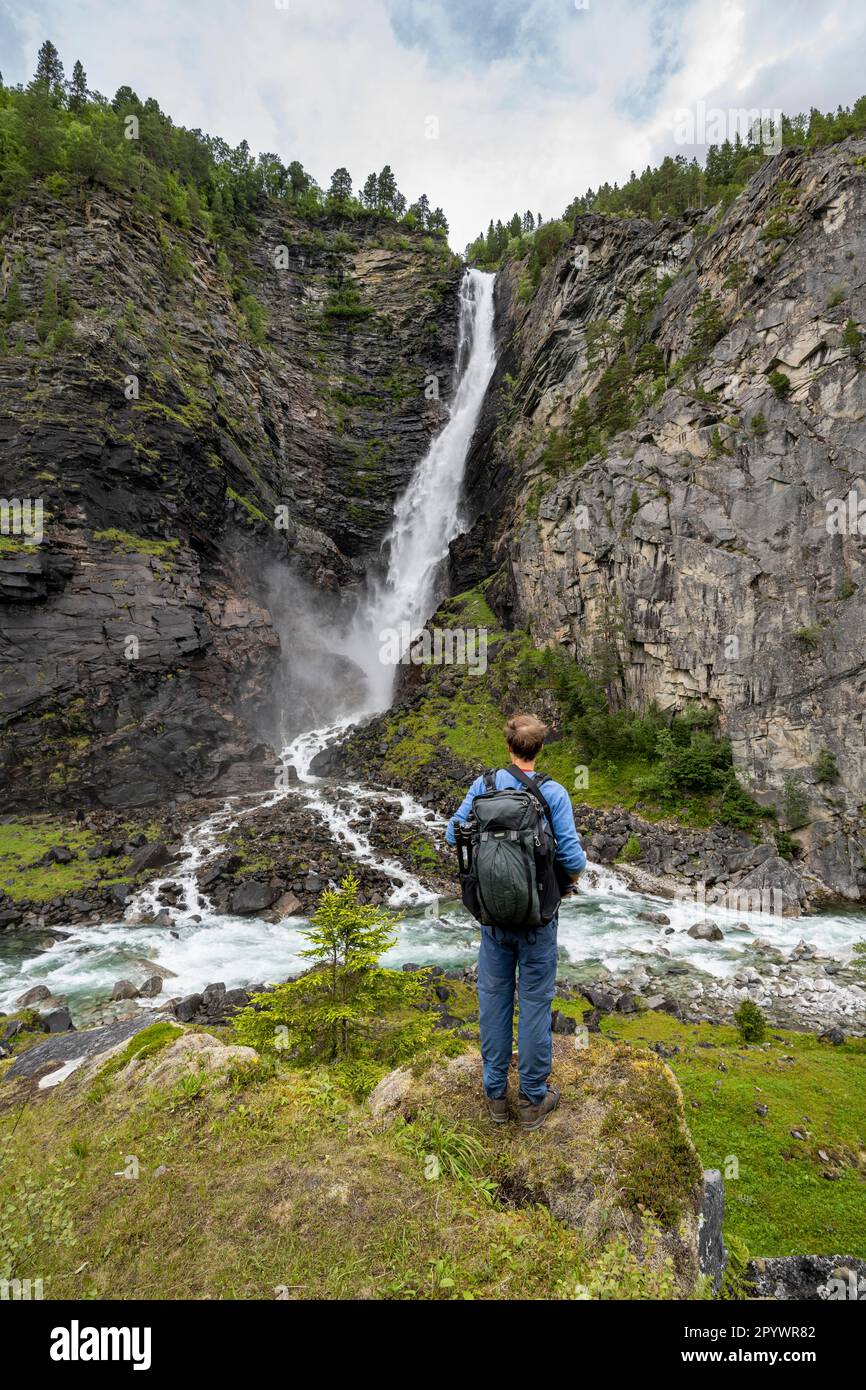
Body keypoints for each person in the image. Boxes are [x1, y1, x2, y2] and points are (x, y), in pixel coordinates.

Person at [446, 713, 586, 1130]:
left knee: (493, 1000)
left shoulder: (483, 786)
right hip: (539, 918)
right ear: (540, 748)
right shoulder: (554, 793)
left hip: (492, 917)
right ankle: (531, 1099)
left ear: (508, 747)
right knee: (535, 1003)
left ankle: (495, 1098)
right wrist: (563, 882)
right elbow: (573, 860)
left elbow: (455, 834)